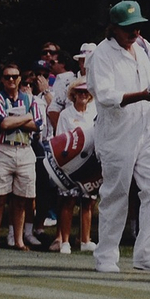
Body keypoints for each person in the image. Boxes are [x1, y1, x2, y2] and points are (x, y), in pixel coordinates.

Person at [86, 0, 150, 274]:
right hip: (117, 135)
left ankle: (147, 254)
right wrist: (144, 96)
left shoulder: (144, 48)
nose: (134, 33)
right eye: (128, 29)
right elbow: (105, 95)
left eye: (137, 27)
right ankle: (106, 256)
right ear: (112, 29)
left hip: (148, 129)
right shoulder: (101, 55)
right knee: (116, 194)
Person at [0, 63, 41, 251]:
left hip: (25, 149)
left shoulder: (30, 99)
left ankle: (19, 240)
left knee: (21, 198)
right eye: (7, 77)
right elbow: (3, 123)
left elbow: (38, 124)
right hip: (3, 148)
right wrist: (26, 117)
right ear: (2, 80)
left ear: (19, 79)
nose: (11, 80)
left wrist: (17, 121)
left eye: (15, 76)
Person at [52, 78, 98, 254]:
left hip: (89, 164)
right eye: (80, 92)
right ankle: (65, 241)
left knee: (88, 202)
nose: (83, 95)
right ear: (74, 95)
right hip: (70, 165)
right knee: (68, 202)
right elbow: (61, 139)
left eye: (86, 92)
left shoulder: (93, 113)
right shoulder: (66, 114)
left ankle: (85, 240)